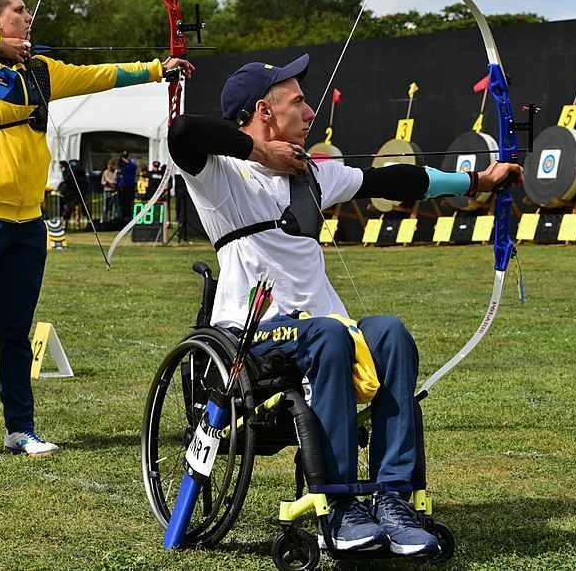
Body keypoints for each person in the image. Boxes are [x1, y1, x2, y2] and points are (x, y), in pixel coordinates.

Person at [167, 55, 522, 556]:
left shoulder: (311, 174)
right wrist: (262, 153)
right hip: (252, 336)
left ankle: (393, 499)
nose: (311, 112)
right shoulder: (219, 174)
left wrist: (476, 182)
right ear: (264, 112)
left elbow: (393, 181)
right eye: (298, 102)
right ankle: (338, 507)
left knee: (390, 333)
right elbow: (183, 131)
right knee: (328, 334)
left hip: (323, 329)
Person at [0, 0, 193, 463]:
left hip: (27, 221)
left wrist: (158, 69)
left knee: (16, 332)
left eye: (26, 10)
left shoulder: (41, 71)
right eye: (18, 11)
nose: (28, 18)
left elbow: (99, 75)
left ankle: (20, 429)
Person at [115, 151, 138, 217]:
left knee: (129, 203)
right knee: (122, 204)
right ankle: (122, 217)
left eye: (126, 157)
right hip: (122, 186)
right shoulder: (121, 164)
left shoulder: (131, 163)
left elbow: (135, 166)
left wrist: (127, 162)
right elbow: (118, 172)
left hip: (130, 186)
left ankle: (129, 216)